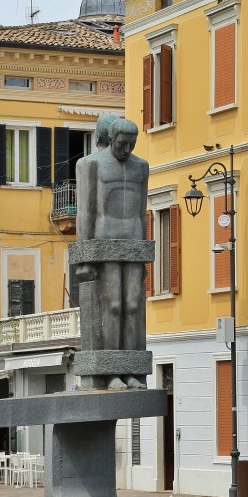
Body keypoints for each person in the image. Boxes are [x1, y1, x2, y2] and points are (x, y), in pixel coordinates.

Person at [75, 117, 149, 389]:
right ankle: (112, 372)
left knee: (133, 305)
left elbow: (142, 211)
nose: (126, 149)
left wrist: (143, 255)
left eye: (131, 144)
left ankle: (130, 371)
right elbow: (86, 211)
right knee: (114, 305)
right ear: (111, 138)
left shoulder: (141, 167)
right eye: (121, 144)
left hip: (134, 240)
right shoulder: (91, 164)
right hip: (105, 240)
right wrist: (84, 257)